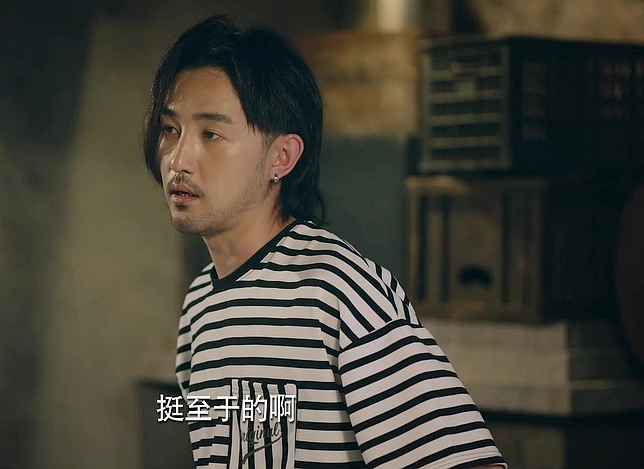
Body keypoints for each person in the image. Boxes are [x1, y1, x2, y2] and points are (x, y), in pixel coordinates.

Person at [143, 15, 506, 469]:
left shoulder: (339, 290)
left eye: (210, 134)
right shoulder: (199, 305)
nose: (178, 159)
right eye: (170, 129)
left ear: (281, 157)